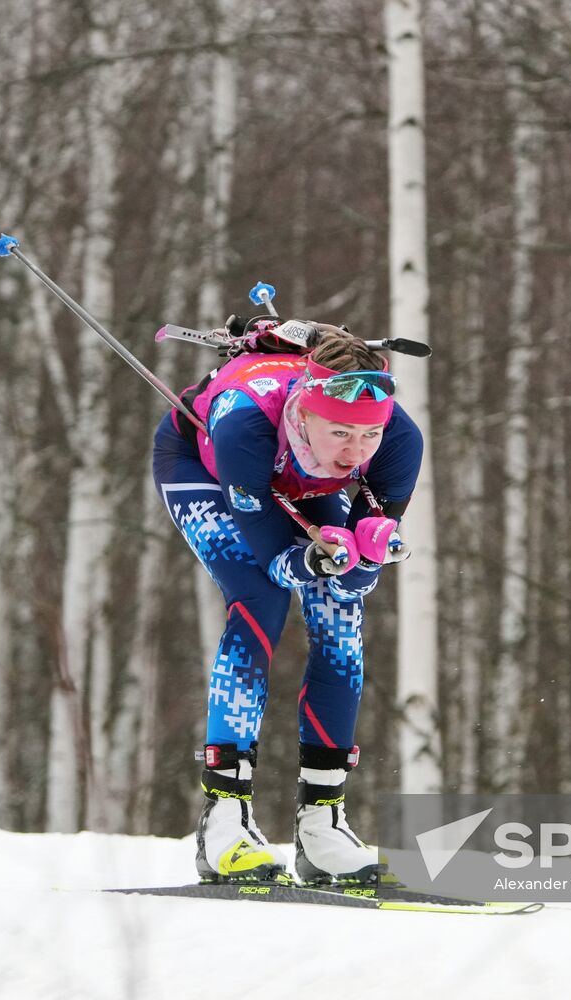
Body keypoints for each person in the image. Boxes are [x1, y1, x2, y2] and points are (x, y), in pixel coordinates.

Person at [151, 320, 423, 885]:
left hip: (303, 482)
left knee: (340, 622)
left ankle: (323, 826)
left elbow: (361, 556)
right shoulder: (246, 424)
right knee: (260, 599)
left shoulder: (400, 439)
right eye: (341, 433)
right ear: (304, 410)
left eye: (367, 437)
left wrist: (359, 563)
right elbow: (272, 554)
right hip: (205, 469)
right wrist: (311, 560)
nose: (356, 451)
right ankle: (225, 823)